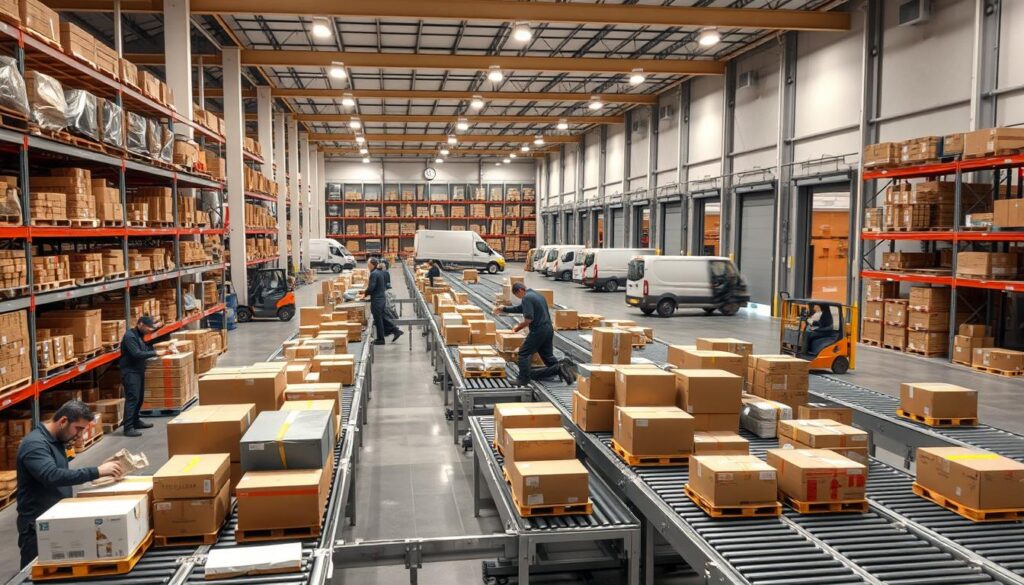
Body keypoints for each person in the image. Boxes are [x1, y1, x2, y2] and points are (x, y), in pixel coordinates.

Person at [16, 400, 125, 568]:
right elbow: (51, 476)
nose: (79, 435)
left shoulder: (57, 440)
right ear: (63, 421)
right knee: (34, 574)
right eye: (78, 429)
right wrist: (96, 471)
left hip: (55, 519)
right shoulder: (35, 445)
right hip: (36, 528)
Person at [494, 282, 575, 386]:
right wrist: (504, 308)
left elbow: (528, 319)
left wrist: (517, 328)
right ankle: (562, 370)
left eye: (517, 295)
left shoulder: (526, 298)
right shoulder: (537, 295)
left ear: (520, 290)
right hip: (548, 329)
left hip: (538, 330)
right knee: (547, 355)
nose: (519, 298)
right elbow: (521, 308)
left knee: (523, 353)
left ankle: (523, 379)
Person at [119, 315, 168, 437]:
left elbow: (144, 349)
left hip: (138, 370)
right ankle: (128, 428)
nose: (149, 330)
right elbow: (136, 354)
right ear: (140, 324)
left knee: (140, 398)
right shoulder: (129, 336)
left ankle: (136, 421)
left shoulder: (139, 335)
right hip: (130, 372)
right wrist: (156, 353)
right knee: (132, 398)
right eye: (148, 328)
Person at [362, 257, 402, 345]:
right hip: (381, 299)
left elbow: (371, 287)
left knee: (378, 319)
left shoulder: (374, 274)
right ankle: (396, 331)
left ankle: (381, 339)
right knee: (383, 317)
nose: (368, 266)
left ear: (372, 265)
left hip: (377, 300)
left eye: (368, 264)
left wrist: (364, 294)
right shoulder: (380, 272)